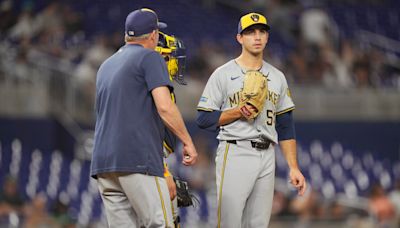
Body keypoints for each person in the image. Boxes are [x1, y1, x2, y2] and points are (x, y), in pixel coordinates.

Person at [196, 12, 306, 227]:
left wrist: (293, 166)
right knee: (230, 222)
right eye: (250, 32)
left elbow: (285, 126)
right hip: (236, 150)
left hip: (267, 154)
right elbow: (203, 118)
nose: (257, 37)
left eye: (261, 32)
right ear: (239, 38)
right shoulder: (223, 73)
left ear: (267, 37)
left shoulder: (277, 77)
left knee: (258, 224)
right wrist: (238, 112)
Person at [90, 8, 197, 228]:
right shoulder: (149, 57)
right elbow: (165, 107)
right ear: (152, 35)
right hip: (138, 160)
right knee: (162, 225)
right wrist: (188, 141)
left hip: (104, 164)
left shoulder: (106, 65)